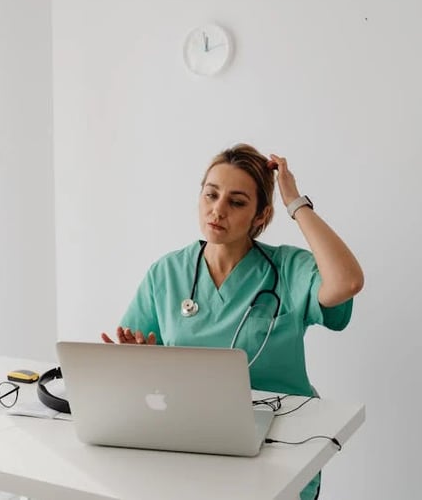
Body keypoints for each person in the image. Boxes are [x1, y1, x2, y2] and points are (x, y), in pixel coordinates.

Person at [102, 144, 364, 500]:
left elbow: (347, 282)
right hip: (194, 440)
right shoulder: (168, 272)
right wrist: (138, 362)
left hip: (282, 443)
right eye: (211, 195)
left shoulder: (287, 269)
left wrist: (295, 202)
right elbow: (137, 373)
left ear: (260, 215)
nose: (218, 210)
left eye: (237, 202)